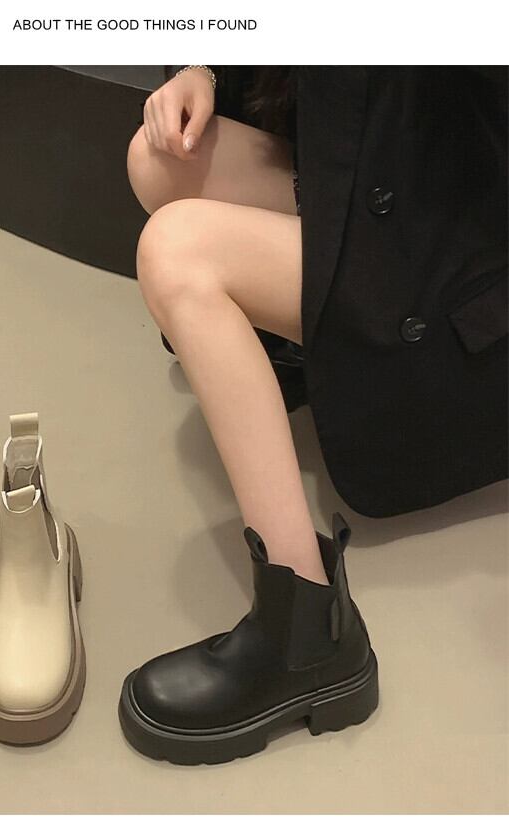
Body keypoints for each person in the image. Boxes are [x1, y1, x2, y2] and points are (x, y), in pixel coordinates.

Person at [116, 65, 507, 765]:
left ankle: (311, 636)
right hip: (386, 192)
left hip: (450, 275)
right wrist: (205, 71)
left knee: (175, 254)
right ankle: (302, 353)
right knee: (157, 158)